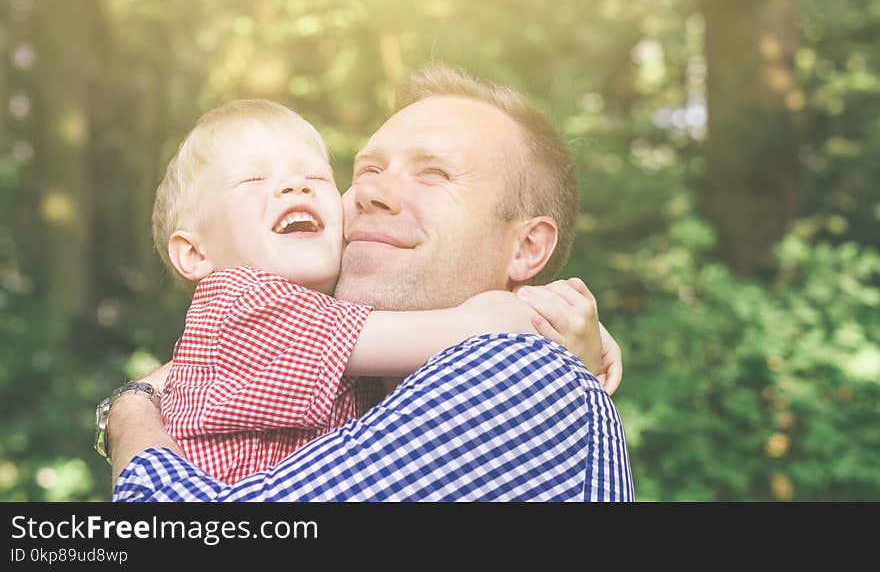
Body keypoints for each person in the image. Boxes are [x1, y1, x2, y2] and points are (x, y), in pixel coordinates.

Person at [107, 62, 634, 501]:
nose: (370, 194)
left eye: (433, 173)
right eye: (365, 173)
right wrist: (548, 318)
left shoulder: (519, 372)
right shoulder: (349, 378)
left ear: (527, 248)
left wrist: (130, 410)